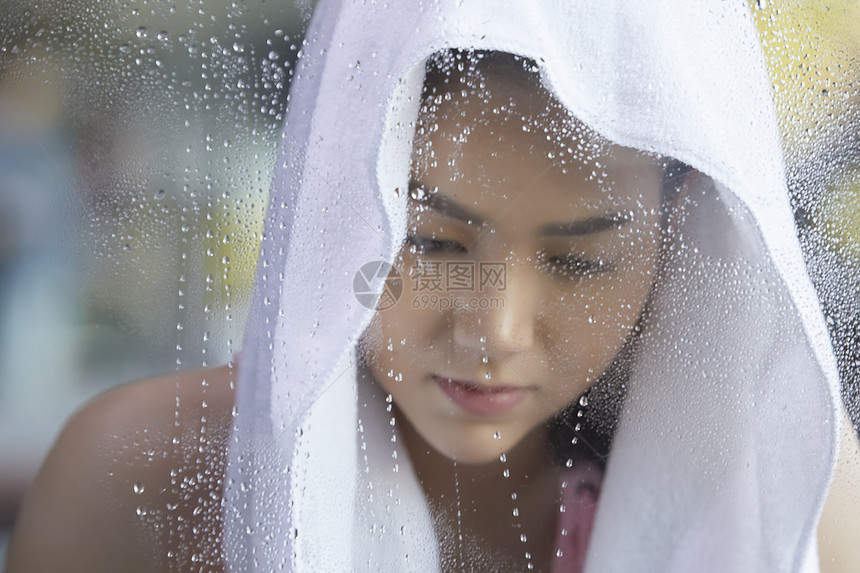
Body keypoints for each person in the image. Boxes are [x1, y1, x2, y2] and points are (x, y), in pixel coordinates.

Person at [6, 1, 860, 572]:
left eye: (577, 262)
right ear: (333, 203)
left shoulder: (790, 503)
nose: (495, 332)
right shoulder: (138, 482)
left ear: (679, 237)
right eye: (432, 243)